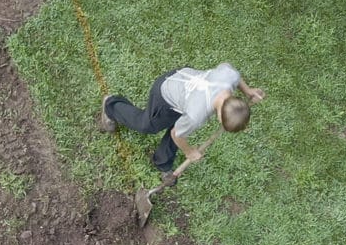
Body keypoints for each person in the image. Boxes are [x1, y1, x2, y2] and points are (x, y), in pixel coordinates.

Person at [97, 63, 265, 180]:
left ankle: (162, 162)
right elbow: (176, 134)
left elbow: (229, 68)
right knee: (147, 125)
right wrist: (190, 152)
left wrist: (248, 90)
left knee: (181, 125)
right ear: (220, 116)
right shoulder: (196, 115)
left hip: (185, 88)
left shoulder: (229, 78)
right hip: (167, 92)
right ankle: (111, 106)